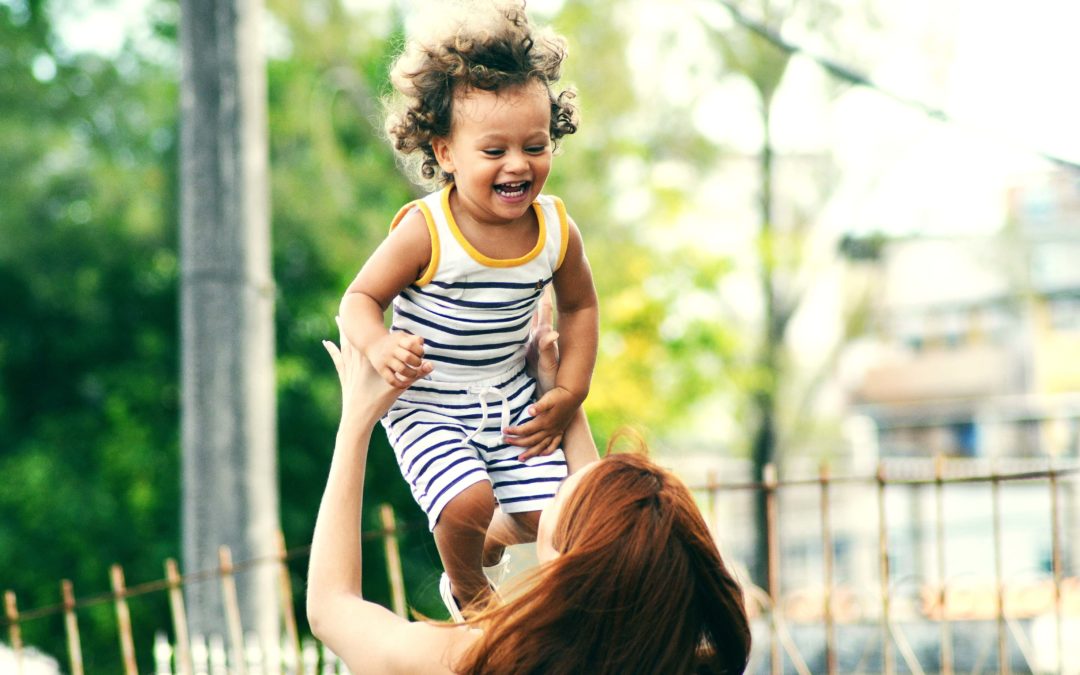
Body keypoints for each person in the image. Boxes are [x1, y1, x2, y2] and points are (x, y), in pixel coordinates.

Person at [337, 0, 599, 618]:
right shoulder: (427, 230)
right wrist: (378, 345)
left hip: (508, 396)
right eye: (494, 151)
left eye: (536, 145)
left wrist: (570, 391)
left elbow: (582, 307)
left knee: (552, 518)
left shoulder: (557, 230)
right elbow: (357, 299)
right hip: (428, 400)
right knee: (464, 503)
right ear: (446, 152)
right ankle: (471, 595)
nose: (518, 164)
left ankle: (490, 539)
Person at [308, 321, 753, 674]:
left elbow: (332, 608)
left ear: (566, 564)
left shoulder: (477, 661)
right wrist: (556, 392)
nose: (553, 488)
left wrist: (357, 420)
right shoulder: (690, 662)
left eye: (555, 503)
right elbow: (603, 530)